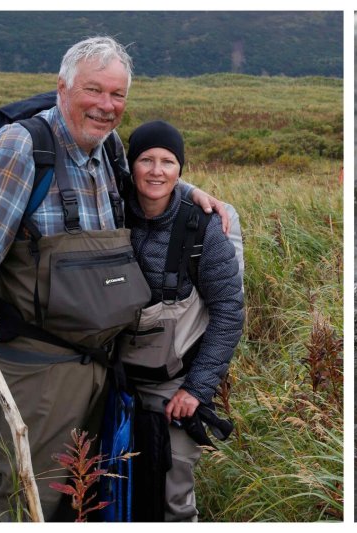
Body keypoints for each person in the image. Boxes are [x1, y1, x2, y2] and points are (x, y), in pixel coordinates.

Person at [0, 37, 227, 521]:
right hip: (40, 369)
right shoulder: (22, 148)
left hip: (104, 367)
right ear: (63, 88)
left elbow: (150, 182)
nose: (107, 106)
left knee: (85, 496)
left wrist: (189, 190)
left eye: (118, 95)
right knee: (31, 497)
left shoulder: (108, 149)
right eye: (94, 90)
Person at [119, 120, 244, 521]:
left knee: (174, 491)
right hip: (112, 376)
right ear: (130, 166)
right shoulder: (109, 210)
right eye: (146, 160)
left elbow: (228, 312)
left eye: (168, 162)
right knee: (112, 485)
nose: (157, 171)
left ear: (180, 169)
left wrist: (196, 389)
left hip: (176, 378)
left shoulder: (204, 227)